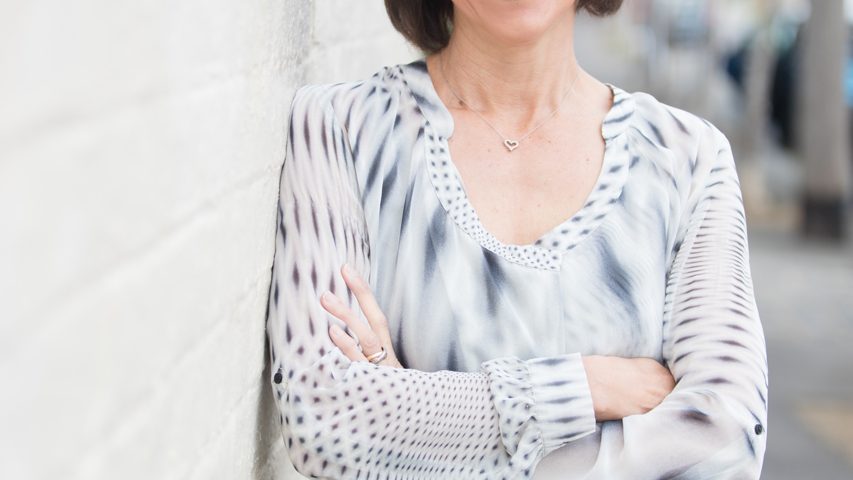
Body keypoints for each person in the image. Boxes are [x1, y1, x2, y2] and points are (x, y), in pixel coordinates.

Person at [264, 0, 769, 478]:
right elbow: (323, 418)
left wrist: (416, 431)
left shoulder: (686, 157)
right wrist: (582, 389)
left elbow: (726, 443)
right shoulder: (344, 128)